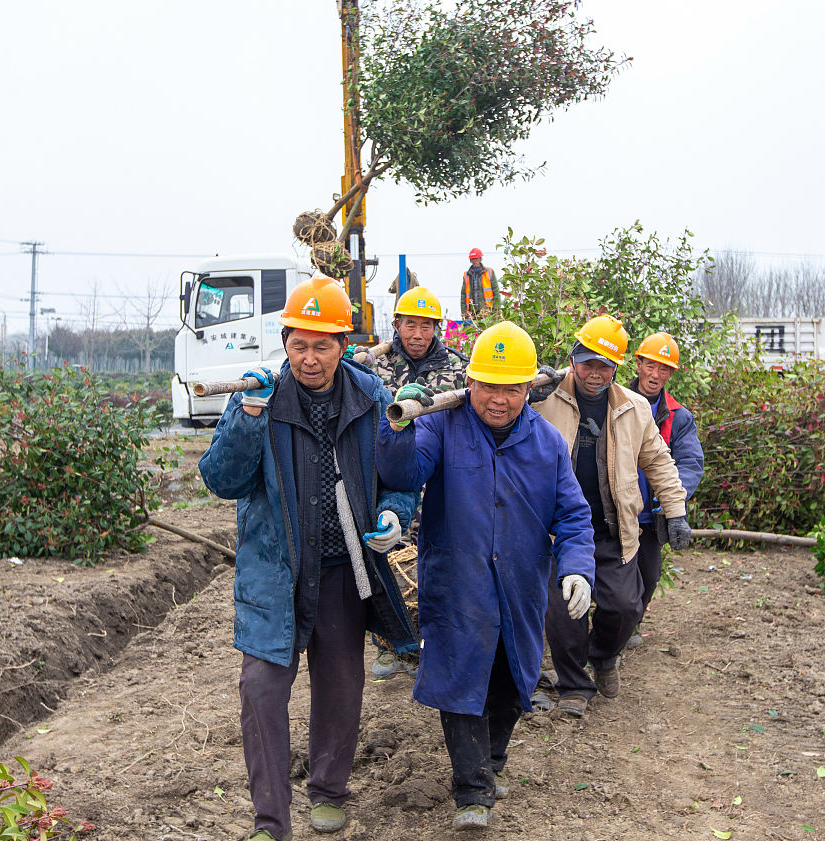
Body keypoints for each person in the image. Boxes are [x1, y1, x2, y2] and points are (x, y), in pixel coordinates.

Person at [198, 276, 419, 841]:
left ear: (343, 345)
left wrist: (393, 516)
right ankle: (270, 822)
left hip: (344, 568)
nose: (310, 357)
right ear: (285, 340)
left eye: (323, 345)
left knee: (341, 684)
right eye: (300, 344)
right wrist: (247, 418)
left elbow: (399, 478)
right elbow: (222, 481)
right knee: (262, 690)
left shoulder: (370, 398)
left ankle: (329, 792)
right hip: (275, 572)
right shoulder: (259, 398)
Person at [376, 321, 596, 831]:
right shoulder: (440, 425)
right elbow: (404, 474)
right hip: (458, 583)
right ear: (470, 382)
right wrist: (398, 430)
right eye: (489, 386)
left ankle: (490, 764)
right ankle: (472, 791)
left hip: (519, 587)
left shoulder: (545, 443)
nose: (499, 399)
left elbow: (573, 516)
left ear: (528, 389)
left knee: (509, 683)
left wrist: (578, 568)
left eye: (512, 388)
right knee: (459, 682)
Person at [530, 316, 692, 717]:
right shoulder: (545, 397)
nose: (595, 373)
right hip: (559, 532)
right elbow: (500, 404)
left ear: (617, 367)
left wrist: (676, 512)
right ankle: (574, 686)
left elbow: (659, 461)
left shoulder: (634, 408)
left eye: (604, 365)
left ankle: (602, 658)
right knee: (565, 614)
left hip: (612, 528)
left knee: (625, 606)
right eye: (587, 363)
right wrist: (530, 389)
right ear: (573, 358)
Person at [369, 285, 469, 678]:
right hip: (384, 476)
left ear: (436, 328)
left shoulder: (457, 369)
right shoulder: (374, 366)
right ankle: (388, 645)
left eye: (426, 326)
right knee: (384, 558)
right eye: (410, 324)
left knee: (433, 563)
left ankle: (430, 643)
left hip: (435, 481)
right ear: (397, 324)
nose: (417, 333)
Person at [626, 331, 704, 645]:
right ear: (639, 363)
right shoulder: (612, 400)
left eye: (664, 369)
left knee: (649, 578)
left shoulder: (678, 417)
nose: (655, 374)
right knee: (612, 578)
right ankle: (611, 632)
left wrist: (673, 505)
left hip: (651, 517)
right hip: (615, 511)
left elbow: (689, 463)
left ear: (670, 374)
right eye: (651, 365)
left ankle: (629, 625)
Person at [461, 247, 497, 320]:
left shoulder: (489, 272)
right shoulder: (466, 275)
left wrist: (497, 311)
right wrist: (463, 312)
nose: (475, 261)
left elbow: (496, 291)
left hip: (487, 310)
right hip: (471, 312)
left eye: (476, 258)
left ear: (480, 259)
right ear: (470, 260)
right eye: (473, 259)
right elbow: (463, 295)